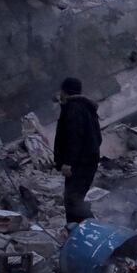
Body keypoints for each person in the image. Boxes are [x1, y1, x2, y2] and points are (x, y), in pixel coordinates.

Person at [54, 77, 102, 224]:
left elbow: (74, 137)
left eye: (61, 91)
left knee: (73, 201)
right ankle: (77, 232)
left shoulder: (74, 109)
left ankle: (92, 230)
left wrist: (68, 162)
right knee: (74, 200)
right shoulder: (84, 107)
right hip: (87, 161)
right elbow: (97, 137)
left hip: (80, 164)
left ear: (64, 90)